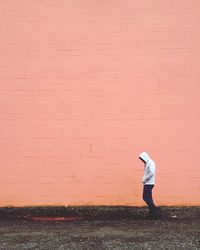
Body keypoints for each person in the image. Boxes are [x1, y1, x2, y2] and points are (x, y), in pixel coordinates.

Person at [139, 152, 161, 218]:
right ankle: (152, 214)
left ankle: (155, 209)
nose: (142, 160)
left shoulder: (151, 163)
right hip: (147, 183)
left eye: (142, 158)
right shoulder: (147, 163)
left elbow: (151, 173)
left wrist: (144, 179)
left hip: (149, 183)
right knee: (149, 198)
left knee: (145, 197)